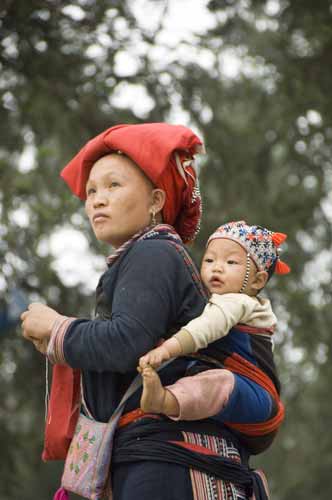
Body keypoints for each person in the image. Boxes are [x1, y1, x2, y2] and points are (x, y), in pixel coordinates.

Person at [21, 123, 270, 500]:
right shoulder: (142, 257)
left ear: (155, 201)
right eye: (91, 191)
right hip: (163, 458)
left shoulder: (154, 252)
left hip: (169, 464)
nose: (97, 200)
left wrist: (58, 328)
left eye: (113, 186)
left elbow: (127, 342)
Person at [139, 221, 289, 453]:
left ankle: (165, 401)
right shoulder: (223, 301)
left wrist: (166, 350)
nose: (216, 268)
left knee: (219, 382)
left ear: (258, 281)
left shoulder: (237, 301)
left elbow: (207, 327)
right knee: (203, 373)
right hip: (248, 411)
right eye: (209, 260)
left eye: (230, 262)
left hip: (260, 403)